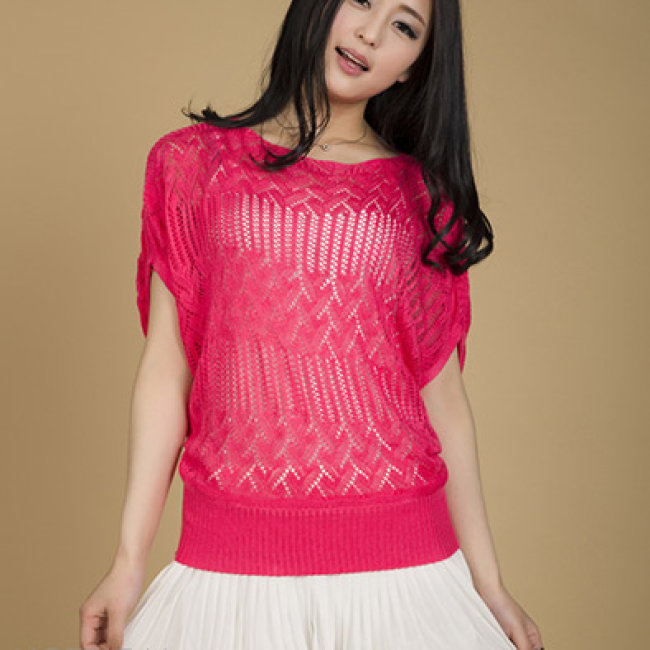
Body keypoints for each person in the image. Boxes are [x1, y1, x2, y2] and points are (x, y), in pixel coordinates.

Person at [79, 0, 546, 648]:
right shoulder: (194, 164)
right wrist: (128, 563)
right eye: (362, 0)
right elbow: (167, 369)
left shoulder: (421, 196)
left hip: (403, 569)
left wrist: (489, 586)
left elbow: (444, 401)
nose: (370, 33)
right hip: (233, 567)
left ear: (413, 66)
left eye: (404, 26)